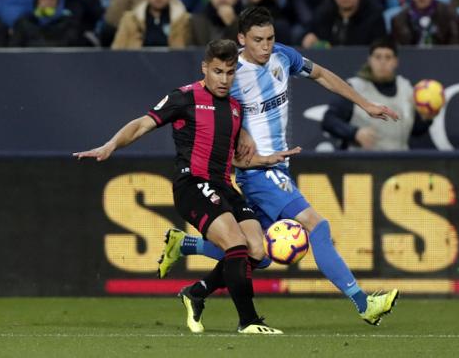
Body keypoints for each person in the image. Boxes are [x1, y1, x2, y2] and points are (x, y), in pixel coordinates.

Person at [159, 6, 400, 327]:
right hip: (257, 171)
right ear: (242, 39)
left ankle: (191, 265)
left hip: (278, 167)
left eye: (270, 38)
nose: (266, 46)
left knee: (257, 254)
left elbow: (323, 75)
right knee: (318, 225)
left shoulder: (283, 57)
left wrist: (365, 104)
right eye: (258, 40)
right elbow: (209, 112)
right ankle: (364, 303)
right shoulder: (230, 75)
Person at [74, 39, 300, 334]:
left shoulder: (234, 108)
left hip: (224, 186)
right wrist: (110, 145)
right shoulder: (184, 97)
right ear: (205, 68)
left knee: (257, 252)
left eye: (230, 72)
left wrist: (266, 159)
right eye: (218, 71)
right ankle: (249, 321)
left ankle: (196, 293)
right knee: (236, 244)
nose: (224, 79)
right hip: (193, 185)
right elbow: (142, 124)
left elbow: (233, 159)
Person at [322, 38, 435, 150]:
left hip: (399, 163)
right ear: (370, 60)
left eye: (388, 57)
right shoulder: (355, 88)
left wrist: (427, 119)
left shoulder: (406, 89)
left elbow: (414, 130)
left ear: (396, 62)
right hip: (362, 164)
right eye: (378, 57)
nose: (382, 62)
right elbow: (329, 120)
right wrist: (354, 133)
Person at [301, 0, 385, 48]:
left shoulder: (373, 17)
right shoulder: (323, 14)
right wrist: (307, 39)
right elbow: (307, 35)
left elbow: (379, 46)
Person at [111, 0, 191, 49]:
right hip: (136, 67)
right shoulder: (130, 19)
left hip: (174, 66)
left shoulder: (184, 20)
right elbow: (116, 51)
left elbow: (191, 54)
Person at [391, 0, 459, 46]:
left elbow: (457, 48)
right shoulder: (399, 19)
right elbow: (399, 53)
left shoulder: (450, 14)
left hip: (445, 62)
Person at [10, 0, 81, 47]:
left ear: (59, 0)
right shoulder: (23, 22)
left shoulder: (69, 22)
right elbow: (15, 50)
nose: (48, 1)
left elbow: (72, 46)